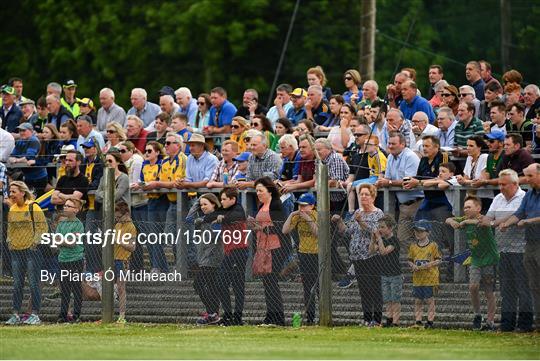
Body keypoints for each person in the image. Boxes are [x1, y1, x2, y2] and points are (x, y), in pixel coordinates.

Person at [479, 169, 532, 332]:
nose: (501, 187)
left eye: (504, 184)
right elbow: (487, 219)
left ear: (515, 184)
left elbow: (518, 216)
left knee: (523, 289)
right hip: (502, 250)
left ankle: (525, 324)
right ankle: (507, 323)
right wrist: (495, 221)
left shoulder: (524, 198)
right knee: (506, 288)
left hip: (521, 250)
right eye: (499, 184)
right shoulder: (498, 198)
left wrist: (497, 221)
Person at [332, 184, 384, 326]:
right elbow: (348, 232)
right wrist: (340, 221)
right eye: (361, 194)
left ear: (373, 197)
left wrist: (361, 221)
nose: (363, 197)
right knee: (364, 290)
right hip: (356, 257)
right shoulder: (357, 212)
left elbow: (375, 232)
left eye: (367, 194)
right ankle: (367, 319)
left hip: (372, 256)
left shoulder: (378, 213)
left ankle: (377, 320)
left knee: (374, 288)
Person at [446, 196, 499, 331]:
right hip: (475, 259)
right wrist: (453, 222)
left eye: (469, 207)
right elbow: (448, 219)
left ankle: (490, 321)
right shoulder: (465, 219)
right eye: (464, 207)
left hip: (489, 259)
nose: (465, 209)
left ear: (478, 208)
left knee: (488, 290)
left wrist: (465, 223)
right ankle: (477, 315)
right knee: (473, 287)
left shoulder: (483, 218)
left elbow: (479, 223)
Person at [499, 164, 540, 331]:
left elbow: (525, 219)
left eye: (530, 176)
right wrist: (506, 224)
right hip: (530, 244)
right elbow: (519, 214)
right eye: (526, 176)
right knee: (534, 286)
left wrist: (529, 221)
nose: (527, 180)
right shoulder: (529, 194)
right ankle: (538, 324)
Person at [5, 181, 48, 325]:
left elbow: (43, 227)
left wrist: (34, 243)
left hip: (31, 251)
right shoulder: (12, 210)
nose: (11, 194)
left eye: (14, 192)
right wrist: (9, 240)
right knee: (17, 284)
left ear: (22, 193)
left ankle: (35, 314)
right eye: (10, 191)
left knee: (33, 283)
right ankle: (15, 314)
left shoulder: (33, 207)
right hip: (16, 251)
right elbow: (10, 229)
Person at [249, 177, 288, 326]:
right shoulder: (262, 206)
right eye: (256, 190)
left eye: (260, 190)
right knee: (267, 282)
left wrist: (262, 228)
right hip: (263, 247)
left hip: (276, 247)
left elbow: (281, 227)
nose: (258, 193)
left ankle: (278, 317)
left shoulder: (276, 205)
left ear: (269, 191)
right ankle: (270, 316)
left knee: (271, 282)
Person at [376, 132, 423, 247]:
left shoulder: (410, 156)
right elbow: (387, 177)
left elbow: (408, 181)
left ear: (402, 144)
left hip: (417, 203)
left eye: (393, 144)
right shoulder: (391, 156)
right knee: (402, 239)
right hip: (403, 206)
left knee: (422, 237)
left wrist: (389, 182)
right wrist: (380, 181)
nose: (390, 146)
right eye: (389, 143)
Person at [282, 193, 319, 325]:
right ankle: (310, 317)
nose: (301, 208)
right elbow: (285, 230)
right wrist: (292, 215)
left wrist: (308, 219)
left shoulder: (317, 215)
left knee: (319, 287)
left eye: (304, 206)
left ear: (312, 206)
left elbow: (318, 233)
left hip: (317, 254)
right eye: (299, 205)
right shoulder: (297, 216)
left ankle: (323, 315)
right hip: (304, 254)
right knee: (307, 288)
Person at [132, 141, 168, 273]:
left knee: (161, 235)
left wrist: (144, 185)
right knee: (152, 236)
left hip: (162, 200)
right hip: (151, 201)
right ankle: (158, 266)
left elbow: (158, 181)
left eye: (149, 151)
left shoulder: (161, 164)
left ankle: (161, 267)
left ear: (157, 152)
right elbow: (142, 180)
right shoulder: (145, 164)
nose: (146, 153)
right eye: (145, 151)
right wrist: (142, 184)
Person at [216, 188, 249, 326]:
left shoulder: (238, 209)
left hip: (239, 251)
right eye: (221, 199)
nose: (221, 202)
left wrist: (223, 217)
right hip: (229, 252)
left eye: (224, 199)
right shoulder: (225, 209)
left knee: (237, 286)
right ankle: (228, 314)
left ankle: (237, 317)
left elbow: (238, 216)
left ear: (233, 200)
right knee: (221, 283)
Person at [190, 193, 223, 326]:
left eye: (205, 204)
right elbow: (189, 217)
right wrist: (198, 203)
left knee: (197, 284)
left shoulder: (217, 218)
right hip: (203, 256)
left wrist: (206, 220)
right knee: (210, 286)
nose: (202, 207)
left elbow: (217, 235)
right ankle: (213, 314)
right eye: (201, 204)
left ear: (214, 204)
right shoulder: (202, 219)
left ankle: (212, 312)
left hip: (213, 256)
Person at [55, 198, 85, 323]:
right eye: (65, 205)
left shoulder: (78, 224)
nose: (65, 207)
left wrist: (63, 241)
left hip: (75, 259)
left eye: (68, 206)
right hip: (63, 259)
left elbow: (73, 243)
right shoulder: (62, 224)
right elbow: (56, 241)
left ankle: (76, 314)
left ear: (76, 210)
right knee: (65, 289)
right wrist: (64, 241)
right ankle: (63, 315)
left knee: (76, 287)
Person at [408, 220, 441, 329]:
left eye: (421, 231)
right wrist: (412, 265)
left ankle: (430, 321)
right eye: (416, 231)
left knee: (429, 299)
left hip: (430, 278)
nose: (418, 233)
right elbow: (409, 260)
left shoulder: (433, 245)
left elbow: (438, 260)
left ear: (428, 232)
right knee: (418, 300)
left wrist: (428, 265)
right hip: (418, 278)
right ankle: (418, 321)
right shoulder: (413, 246)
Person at [371, 215, 402, 327]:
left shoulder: (394, 240)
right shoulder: (381, 240)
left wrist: (379, 239)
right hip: (384, 274)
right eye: (379, 227)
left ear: (390, 228)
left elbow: (383, 251)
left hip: (394, 274)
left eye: (383, 227)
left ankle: (396, 322)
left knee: (395, 300)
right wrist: (373, 238)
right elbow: (371, 251)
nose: (380, 229)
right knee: (388, 299)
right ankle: (389, 320)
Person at [8, 123, 49, 197]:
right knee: (28, 199)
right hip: (28, 177)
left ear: (31, 131)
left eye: (24, 130)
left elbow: (29, 157)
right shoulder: (20, 141)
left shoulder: (33, 140)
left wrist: (17, 160)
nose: (21, 132)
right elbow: (11, 156)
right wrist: (19, 159)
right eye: (20, 130)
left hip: (38, 178)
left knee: (36, 199)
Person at [113, 201, 137, 323]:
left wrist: (119, 241)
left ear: (126, 214)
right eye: (116, 217)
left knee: (121, 288)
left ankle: (122, 314)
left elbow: (132, 247)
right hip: (114, 258)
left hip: (123, 259)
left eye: (119, 217)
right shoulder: (118, 225)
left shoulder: (131, 227)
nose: (117, 219)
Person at [456, 136, 492, 211]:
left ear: (479, 147)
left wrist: (465, 181)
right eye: (467, 145)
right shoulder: (469, 158)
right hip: (472, 198)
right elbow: (466, 178)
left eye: (471, 146)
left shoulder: (485, 157)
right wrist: (461, 180)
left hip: (485, 197)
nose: (468, 148)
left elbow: (482, 180)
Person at [95, 151, 130, 217]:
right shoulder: (103, 178)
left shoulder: (123, 178)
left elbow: (115, 196)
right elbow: (97, 196)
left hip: (121, 215)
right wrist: (109, 194)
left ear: (118, 162)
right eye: (106, 161)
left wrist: (103, 194)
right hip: (106, 214)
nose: (107, 163)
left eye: (110, 161)